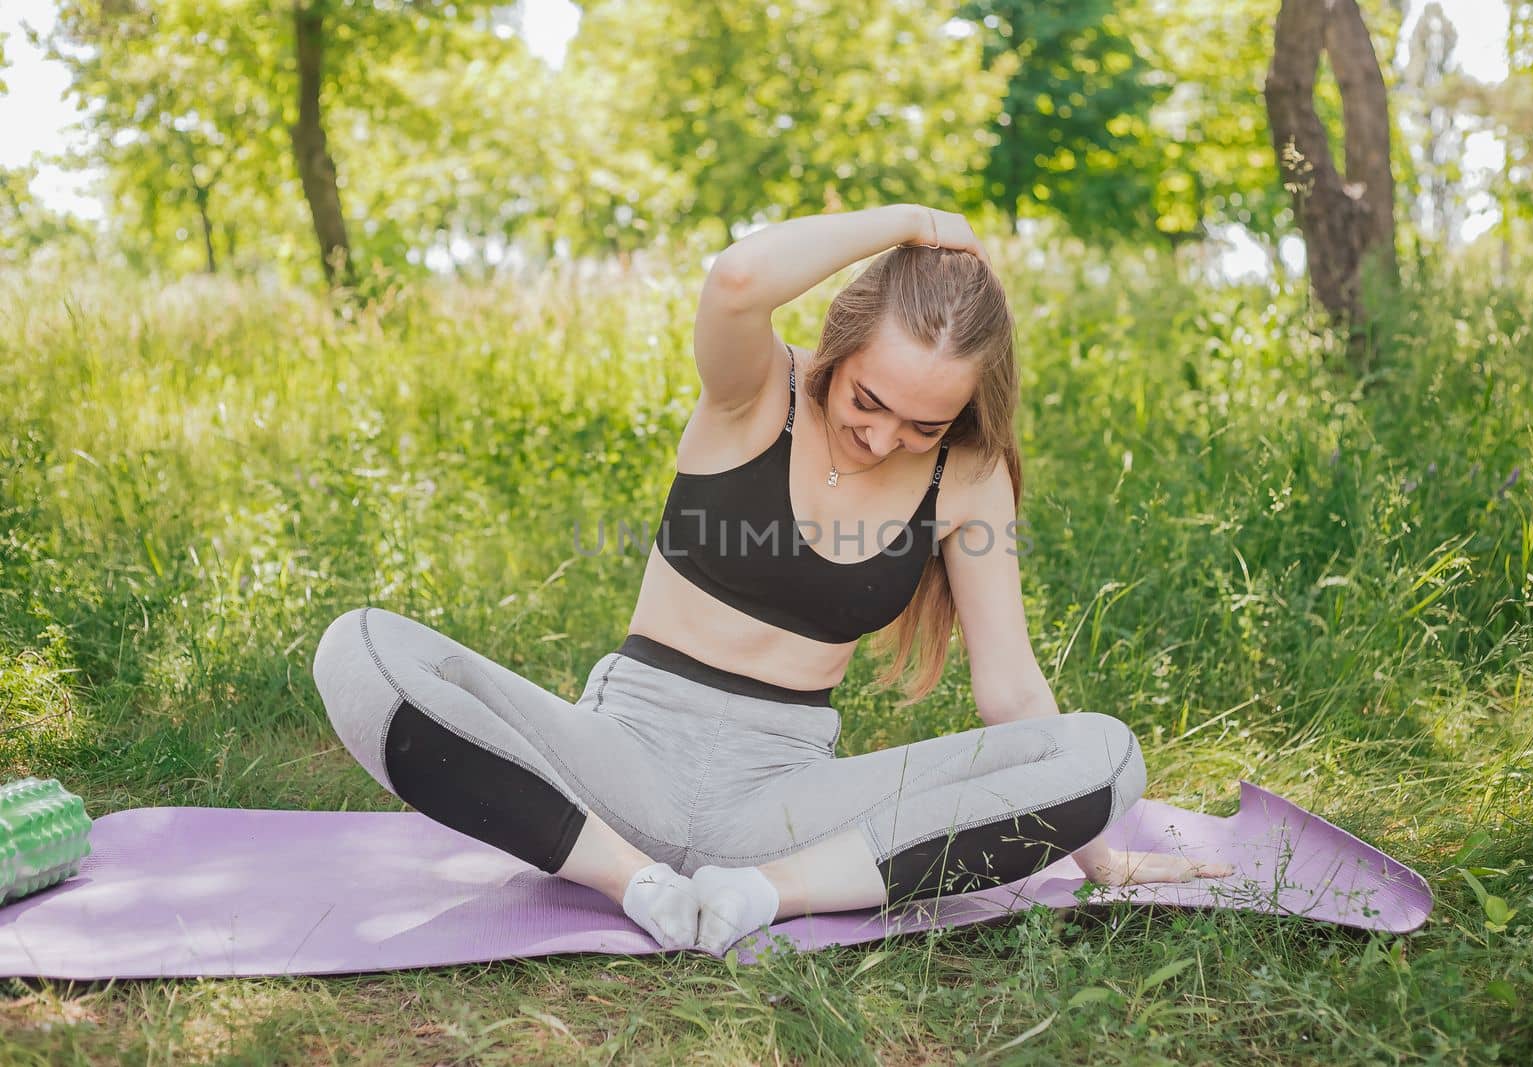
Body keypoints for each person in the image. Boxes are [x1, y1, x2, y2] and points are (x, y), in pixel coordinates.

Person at [312, 204, 1232, 957]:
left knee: (1105, 752)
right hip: (620, 762)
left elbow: (1012, 686)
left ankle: (762, 896)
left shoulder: (970, 477)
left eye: (922, 423)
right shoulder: (755, 392)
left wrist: (1102, 855)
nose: (881, 438)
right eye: (868, 400)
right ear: (838, 345)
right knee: (356, 650)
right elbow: (738, 281)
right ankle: (635, 882)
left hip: (784, 805)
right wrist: (918, 221)